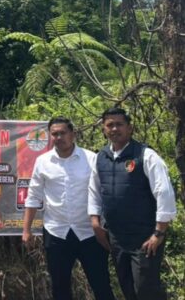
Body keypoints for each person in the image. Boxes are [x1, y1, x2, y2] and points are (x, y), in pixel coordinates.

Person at [89, 107, 177, 300]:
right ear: (104, 129)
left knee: (146, 289)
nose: (114, 129)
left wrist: (159, 233)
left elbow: (164, 193)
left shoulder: (146, 155)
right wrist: (95, 223)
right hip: (116, 237)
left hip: (145, 237)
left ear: (130, 128)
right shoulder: (100, 157)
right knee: (127, 286)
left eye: (119, 124)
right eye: (110, 125)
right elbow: (94, 191)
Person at [22, 117, 115, 300]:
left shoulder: (91, 159)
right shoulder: (43, 161)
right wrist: (26, 230)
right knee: (60, 288)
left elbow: (103, 193)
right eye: (54, 134)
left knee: (101, 285)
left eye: (63, 133)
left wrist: (102, 225)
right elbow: (33, 196)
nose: (59, 137)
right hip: (56, 233)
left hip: (89, 233)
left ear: (72, 134)